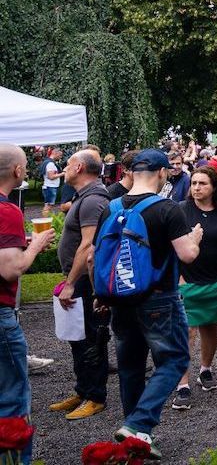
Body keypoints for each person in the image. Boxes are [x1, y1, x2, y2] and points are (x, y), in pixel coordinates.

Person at [96, 149, 202, 459]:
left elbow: (95, 256)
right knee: (174, 360)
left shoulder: (110, 207)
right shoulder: (167, 209)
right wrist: (195, 238)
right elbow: (187, 255)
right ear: (161, 173)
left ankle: (137, 439)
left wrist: (102, 294)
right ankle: (138, 424)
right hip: (158, 298)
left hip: (119, 298)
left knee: (130, 368)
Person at [0, 144, 56, 465]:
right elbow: (10, 268)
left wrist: (24, 245)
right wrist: (35, 246)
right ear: (17, 171)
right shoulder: (7, 210)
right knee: (11, 398)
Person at [171, 165, 217, 412]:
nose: (197, 188)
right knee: (186, 331)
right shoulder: (181, 210)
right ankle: (182, 385)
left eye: (202, 183)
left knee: (211, 327)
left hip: (216, 281)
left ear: (214, 187)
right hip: (187, 282)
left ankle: (205, 369)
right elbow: (170, 248)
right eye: (194, 183)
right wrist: (178, 278)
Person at [49, 149, 110, 421]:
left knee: (92, 338)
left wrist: (71, 283)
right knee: (78, 337)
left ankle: (95, 396)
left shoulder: (93, 199)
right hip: (78, 280)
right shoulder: (84, 196)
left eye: (69, 163)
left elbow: (88, 247)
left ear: (80, 168)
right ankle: (83, 390)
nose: (65, 168)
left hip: (86, 282)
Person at [40, 147, 63, 214]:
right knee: (48, 206)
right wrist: (63, 173)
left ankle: (46, 218)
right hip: (50, 187)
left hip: (49, 187)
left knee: (48, 205)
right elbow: (51, 177)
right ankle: (45, 219)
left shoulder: (48, 162)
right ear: (55, 153)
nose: (60, 157)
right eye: (60, 155)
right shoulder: (50, 164)